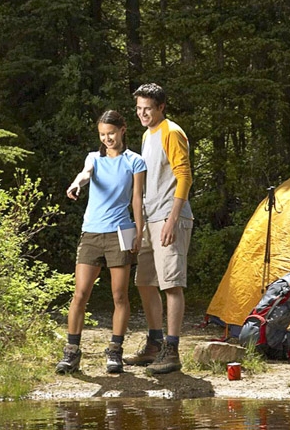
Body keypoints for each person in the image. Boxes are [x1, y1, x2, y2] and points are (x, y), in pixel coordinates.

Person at [56, 110, 146, 374]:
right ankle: (71, 352)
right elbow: (85, 173)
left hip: (122, 232)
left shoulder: (135, 161)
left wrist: (139, 233)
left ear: (122, 130)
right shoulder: (93, 158)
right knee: (80, 294)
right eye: (103, 135)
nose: (107, 139)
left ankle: (115, 352)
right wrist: (76, 183)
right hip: (92, 233)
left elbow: (137, 199)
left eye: (111, 133)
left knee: (120, 295)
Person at [123, 83, 194, 375]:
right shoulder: (146, 135)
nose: (143, 114)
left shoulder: (171, 132)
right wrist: (139, 226)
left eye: (148, 109)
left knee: (171, 284)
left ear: (161, 107)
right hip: (150, 219)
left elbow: (185, 176)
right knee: (145, 281)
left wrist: (172, 219)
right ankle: (154, 343)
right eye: (139, 109)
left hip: (170, 217)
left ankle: (172, 350)